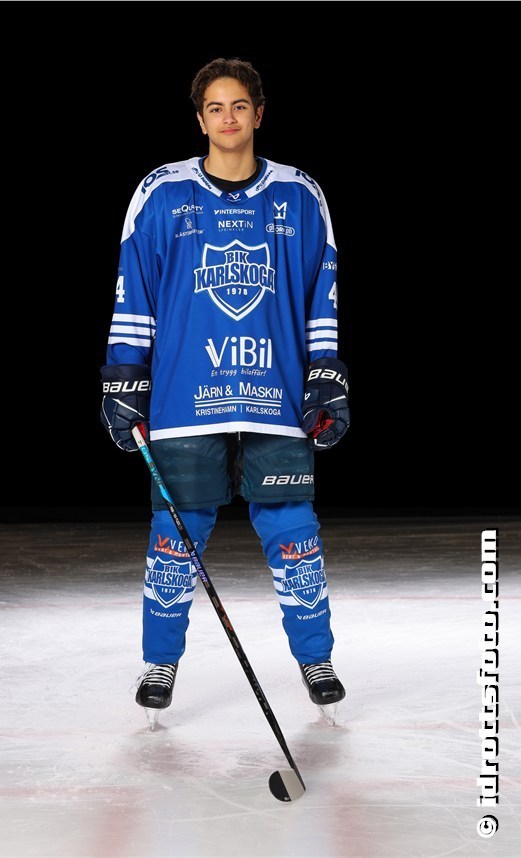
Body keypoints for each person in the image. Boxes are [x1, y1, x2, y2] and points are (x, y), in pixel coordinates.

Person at [100, 57, 350, 725]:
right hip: (185, 394)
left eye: (240, 105)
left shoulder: (300, 195)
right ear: (201, 118)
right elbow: (134, 290)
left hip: (276, 390)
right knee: (175, 534)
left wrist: (326, 374)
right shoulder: (161, 193)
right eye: (216, 107)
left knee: (294, 529)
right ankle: (160, 662)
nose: (229, 117)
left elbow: (320, 293)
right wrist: (124, 376)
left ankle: (316, 659)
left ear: (258, 113)